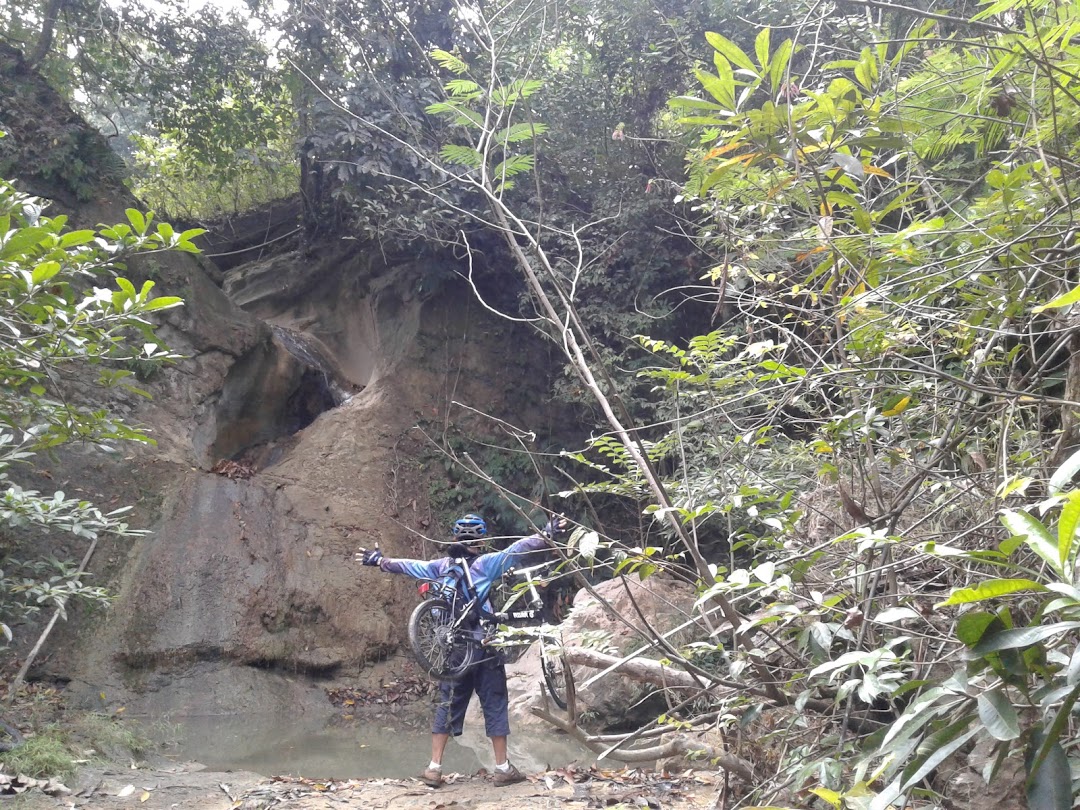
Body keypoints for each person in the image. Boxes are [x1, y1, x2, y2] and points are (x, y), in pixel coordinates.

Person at [355, 512, 568, 788]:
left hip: (455, 650)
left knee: (447, 703)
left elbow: (409, 566)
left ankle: (434, 768)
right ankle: (502, 768)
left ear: (455, 539)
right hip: (485, 646)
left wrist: (380, 561)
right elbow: (516, 551)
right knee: (494, 701)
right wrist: (546, 534)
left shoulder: (441, 566)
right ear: (481, 539)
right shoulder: (486, 564)